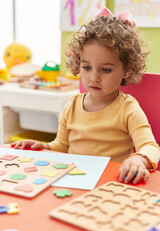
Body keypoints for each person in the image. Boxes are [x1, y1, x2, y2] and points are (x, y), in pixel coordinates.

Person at [11, 7, 160, 184]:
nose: (94, 78)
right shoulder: (72, 105)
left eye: (106, 70)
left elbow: (150, 146)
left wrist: (139, 159)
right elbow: (61, 146)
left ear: (126, 70)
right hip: (75, 182)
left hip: (112, 183)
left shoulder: (128, 108)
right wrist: (44, 147)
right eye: (87, 67)